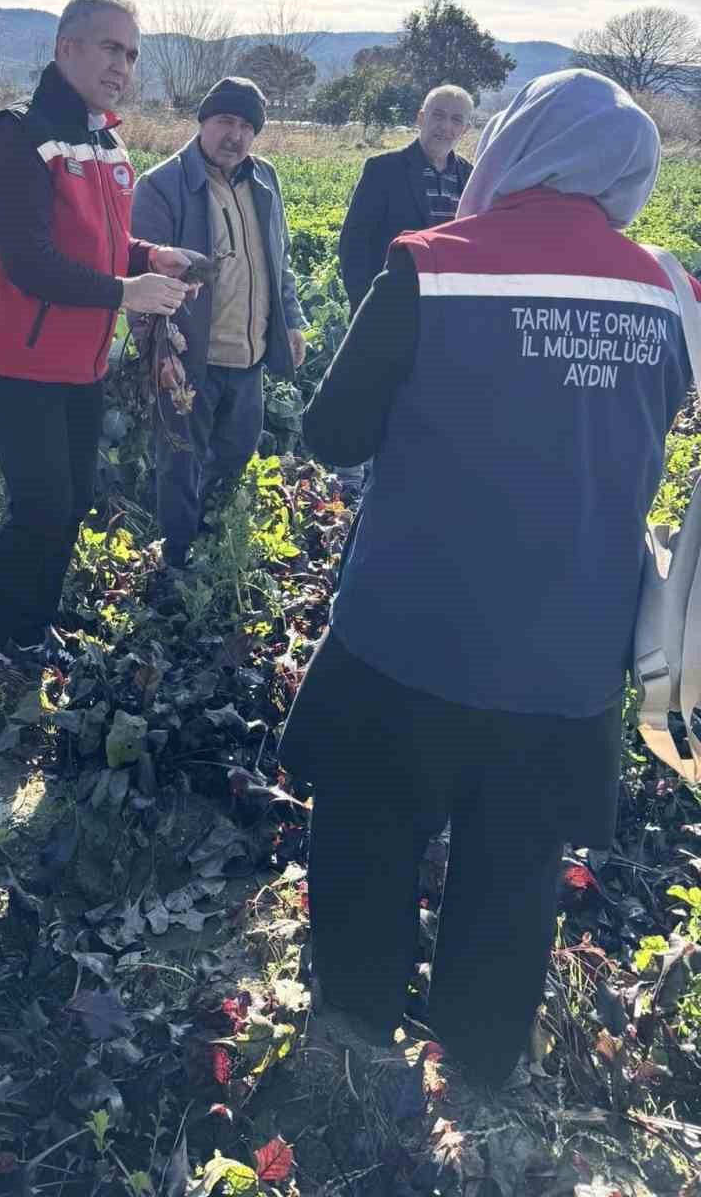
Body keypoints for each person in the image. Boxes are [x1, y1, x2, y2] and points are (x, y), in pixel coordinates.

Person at [280, 69, 695, 1090]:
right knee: (515, 869)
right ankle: (477, 1060)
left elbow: (333, 434)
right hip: (572, 653)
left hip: (411, 630)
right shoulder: (675, 292)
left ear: (516, 144)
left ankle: (359, 1025)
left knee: (371, 833)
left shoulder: (431, 264)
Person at [0, 0, 196, 752]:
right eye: (110, 48)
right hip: (17, 355)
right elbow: (29, 261)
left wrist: (151, 259)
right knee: (40, 507)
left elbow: (103, 250)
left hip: (78, 355)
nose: (123, 66)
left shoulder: (106, 146)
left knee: (75, 498)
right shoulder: (17, 138)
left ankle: (29, 633)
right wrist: (126, 291)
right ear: (65, 49)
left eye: (132, 54)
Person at [131, 76, 307, 575]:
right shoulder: (162, 186)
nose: (236, 135)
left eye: (247, 126)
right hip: (190, 359)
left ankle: (214, 546)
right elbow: (142, 277)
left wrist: (290, 321)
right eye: (226, 121)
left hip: (247, 357)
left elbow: (280, 261)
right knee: (181, 463)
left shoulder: (265, 179)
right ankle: (177, 561)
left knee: (234, 458)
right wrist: (158, 353)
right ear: (203, 122)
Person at [337, 83, 474, 315]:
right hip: (390, 307)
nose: (445, 126)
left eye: (456, 120)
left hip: (447, 312)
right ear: (421, 118)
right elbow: (354, 243)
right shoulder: (383, 169)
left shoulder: (471, 176)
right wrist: (365, 308)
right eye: (438, 115)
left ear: (465, 129)